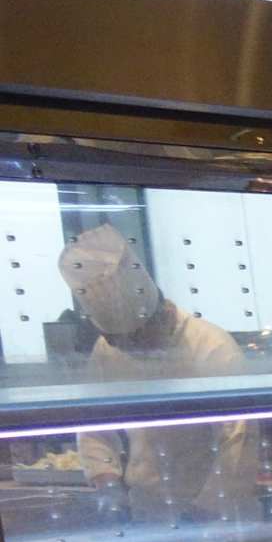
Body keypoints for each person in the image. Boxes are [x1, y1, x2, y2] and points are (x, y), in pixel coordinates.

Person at [58, 223, 258, 522]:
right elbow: (93, 422)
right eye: (118, 341)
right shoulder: (107, 349)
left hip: (219, 514)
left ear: (160, 315)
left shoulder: (211, 346)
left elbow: (240, 440)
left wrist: (205, 511)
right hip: (146, 509)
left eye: (136, 338)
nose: (128, 349)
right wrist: (107, 482)